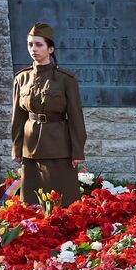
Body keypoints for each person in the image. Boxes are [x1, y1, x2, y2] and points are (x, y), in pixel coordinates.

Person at [10, 22, 86, 207]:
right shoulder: (22, 78)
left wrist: (78, 151)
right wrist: (16, 147)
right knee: (31, 200)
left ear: (50, 48)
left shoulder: (65, 79)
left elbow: (76, 117)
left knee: (63, 198)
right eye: (30, 44)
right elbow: (18, 118)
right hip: (31, 145)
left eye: (39, 44)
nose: (33, 49)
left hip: (58, 145)